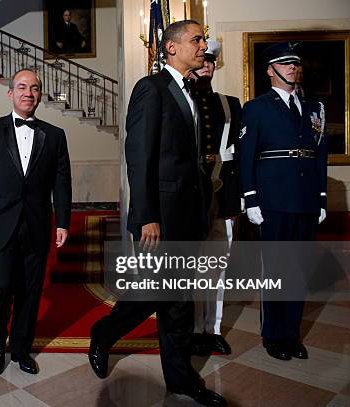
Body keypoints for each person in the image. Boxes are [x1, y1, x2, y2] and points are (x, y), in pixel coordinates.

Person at [87, 21, 226, 407]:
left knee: (175, 300)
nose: (203, 45)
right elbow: (140, 157)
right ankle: (106, 333)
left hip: (188, 215)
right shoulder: (152, 89)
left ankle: (177, 379)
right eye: (196, 40)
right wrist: (147, 215)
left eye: (203, 39)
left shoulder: (193, 91)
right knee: (164, 296)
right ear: (170, 48)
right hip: (159, 219)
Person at [0, 68, 72, 376]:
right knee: (0, 286)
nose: (29, 93)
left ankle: (22, 348)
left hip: (37, 224)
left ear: (40, 94)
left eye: (35, 88)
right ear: (11, 93)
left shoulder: (55, 135)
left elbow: (62, 182)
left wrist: (63, 221)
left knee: (30, 290)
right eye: (22, 87)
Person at [239, 42, 327, 361]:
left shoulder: (314, 107)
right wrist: (250, 199)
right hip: (272, 200)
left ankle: (291, 334)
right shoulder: (257, 108)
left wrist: (320, 198)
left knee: (298, 269)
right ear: (270, 70)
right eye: (285, 62)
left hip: (305, 200)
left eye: (296, 63)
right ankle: (273, 335)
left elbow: (319, 155)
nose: (293, 67)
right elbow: (247, 156)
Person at [188, 40, 242, 356]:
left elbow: (239, 155)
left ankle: (213, 329)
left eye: (211, 60)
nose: (206, 64)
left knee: (217, 267)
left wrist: (241, 201)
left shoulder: (231, 104)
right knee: (193, 266)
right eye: (202, 59)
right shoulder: (182, 101)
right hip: (193, 197)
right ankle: (194, 330)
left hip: (224, 196)